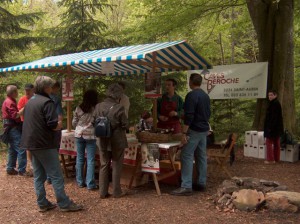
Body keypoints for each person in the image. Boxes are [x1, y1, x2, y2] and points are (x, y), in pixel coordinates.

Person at [20, 76, 82, 212]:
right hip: (44, 144)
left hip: (31, 143)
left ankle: (42, 203)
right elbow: (52, 124)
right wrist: (59, 124)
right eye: (50, 86)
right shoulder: (47, 102)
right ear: (47, 87)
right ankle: (64, 203)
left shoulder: (31, 101)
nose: (51, 88)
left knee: (39, 175)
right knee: (56, 175)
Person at [170, 73, 210, 196]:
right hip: (204, 129)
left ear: (191, 82)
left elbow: (189, 115)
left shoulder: (191, 95)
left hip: (194, 129)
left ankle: (186, 185)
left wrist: (184, 132)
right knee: (201, 156)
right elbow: (207, 113)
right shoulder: (205, 95)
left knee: (186, 155)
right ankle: (201, 182)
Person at [94, 83, 128, 198]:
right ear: (119, 95)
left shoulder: (98, 106)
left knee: (104, 164)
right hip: (117, 139)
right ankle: (116, 191)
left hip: (102, 139)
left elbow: (93, 121)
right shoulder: (119, 107)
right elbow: (125, 124)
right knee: (117, 164)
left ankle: (102, 192)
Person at [72, 89, 99, 190]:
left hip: (79, 135)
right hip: (91, 136)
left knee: (79, 158)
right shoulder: (96, 109)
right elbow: (97, 122)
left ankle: (79, 181)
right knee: (91, 160)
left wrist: (80, 127)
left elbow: (74, 123)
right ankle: (90, 184)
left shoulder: (79, 108)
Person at [2, 85, 27, 175]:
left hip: (10, 127)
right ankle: (22, 170)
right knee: (21, 148)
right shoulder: (10, 102)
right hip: (12, 128)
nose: (17, 93)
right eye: (16, 91)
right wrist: (24, 109)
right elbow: (15, 115)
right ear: (13, 93)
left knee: (12, 148)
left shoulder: (9, 101)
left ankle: (10, 168)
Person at [18, 83, 34, 175]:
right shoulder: (22, 99)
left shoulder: (36, 98)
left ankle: (37, 163)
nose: (27, 91)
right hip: (25, 124)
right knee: (28, 145)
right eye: (26, 90)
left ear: (33, 90)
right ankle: (31, 165)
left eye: (29, 90)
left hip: (36, 124)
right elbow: (19, 113)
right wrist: (28, 105)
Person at [264, 89, 284, 164]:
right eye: (269, 95)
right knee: (276, 143)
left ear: (275, 95)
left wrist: (269, 127)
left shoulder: (275, 104)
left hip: (272, 127)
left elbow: (274, 117)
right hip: (276, 128)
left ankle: (271, 159)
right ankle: (276, 159)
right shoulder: (274, 103)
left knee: (269, 142)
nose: (270, 96)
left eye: (271, 95)